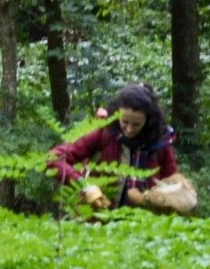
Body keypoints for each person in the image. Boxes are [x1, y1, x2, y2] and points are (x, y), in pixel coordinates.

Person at [50, 83, 182, 210]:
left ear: (148, 121)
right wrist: (85, 186)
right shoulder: (103, 132)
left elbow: (172, 182)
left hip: (142, 225)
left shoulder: (160, 143)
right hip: (98, 221)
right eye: (124, 122)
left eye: (136, 124)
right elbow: (54, 158)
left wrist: (159, 198)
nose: (129, 130)